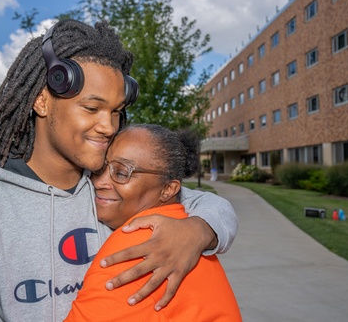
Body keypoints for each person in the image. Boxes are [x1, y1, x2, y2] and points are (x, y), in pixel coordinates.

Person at [0, 19, 238, 321]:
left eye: (116, 111)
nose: (108, 127)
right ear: (42, 101)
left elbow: (203, 203)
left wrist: (199, 231)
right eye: (92, 107)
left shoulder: (108, 191)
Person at [65, 124, 242, 321]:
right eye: (99, 168)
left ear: (168, 189)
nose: (99, 182)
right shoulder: (178, 224)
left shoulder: (140, 246)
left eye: (122, 173)